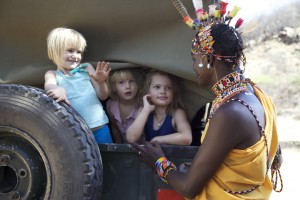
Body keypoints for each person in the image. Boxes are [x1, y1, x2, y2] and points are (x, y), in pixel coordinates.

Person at [131, 1, 283, 199]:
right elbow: (276, 157)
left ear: (209, 61)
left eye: (195, 59)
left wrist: (158, 161)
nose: (193, 67)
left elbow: (188, 188)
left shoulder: (230, 112)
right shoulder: (256, 94)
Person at [44, 27, 113, 144]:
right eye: (70, 51)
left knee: (110, 160)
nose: (75, 56)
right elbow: (49, 86)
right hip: (75, 133)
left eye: (79, 52)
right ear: (56, 51)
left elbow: (103, 96)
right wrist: (58, 89)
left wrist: (101, 83)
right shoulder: (53, 74)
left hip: (99, 128)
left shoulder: (86, 68)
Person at [126, 69, 192, 145]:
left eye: (168, 87)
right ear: (148, 91)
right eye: (157, 87)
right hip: (150, 156)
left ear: (174, 92)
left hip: (171, 156)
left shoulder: (177, 113)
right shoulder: (143, 111)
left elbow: (187, 138)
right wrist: (146, 110)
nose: (163, 91)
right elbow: (131, 138)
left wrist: (158, 139)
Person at [106, 68, 144, 143]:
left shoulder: (142, 104)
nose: (127, 86)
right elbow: (114, 128)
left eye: (131, 81)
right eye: (121, 82)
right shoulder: (111, 105)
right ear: (114, 87)